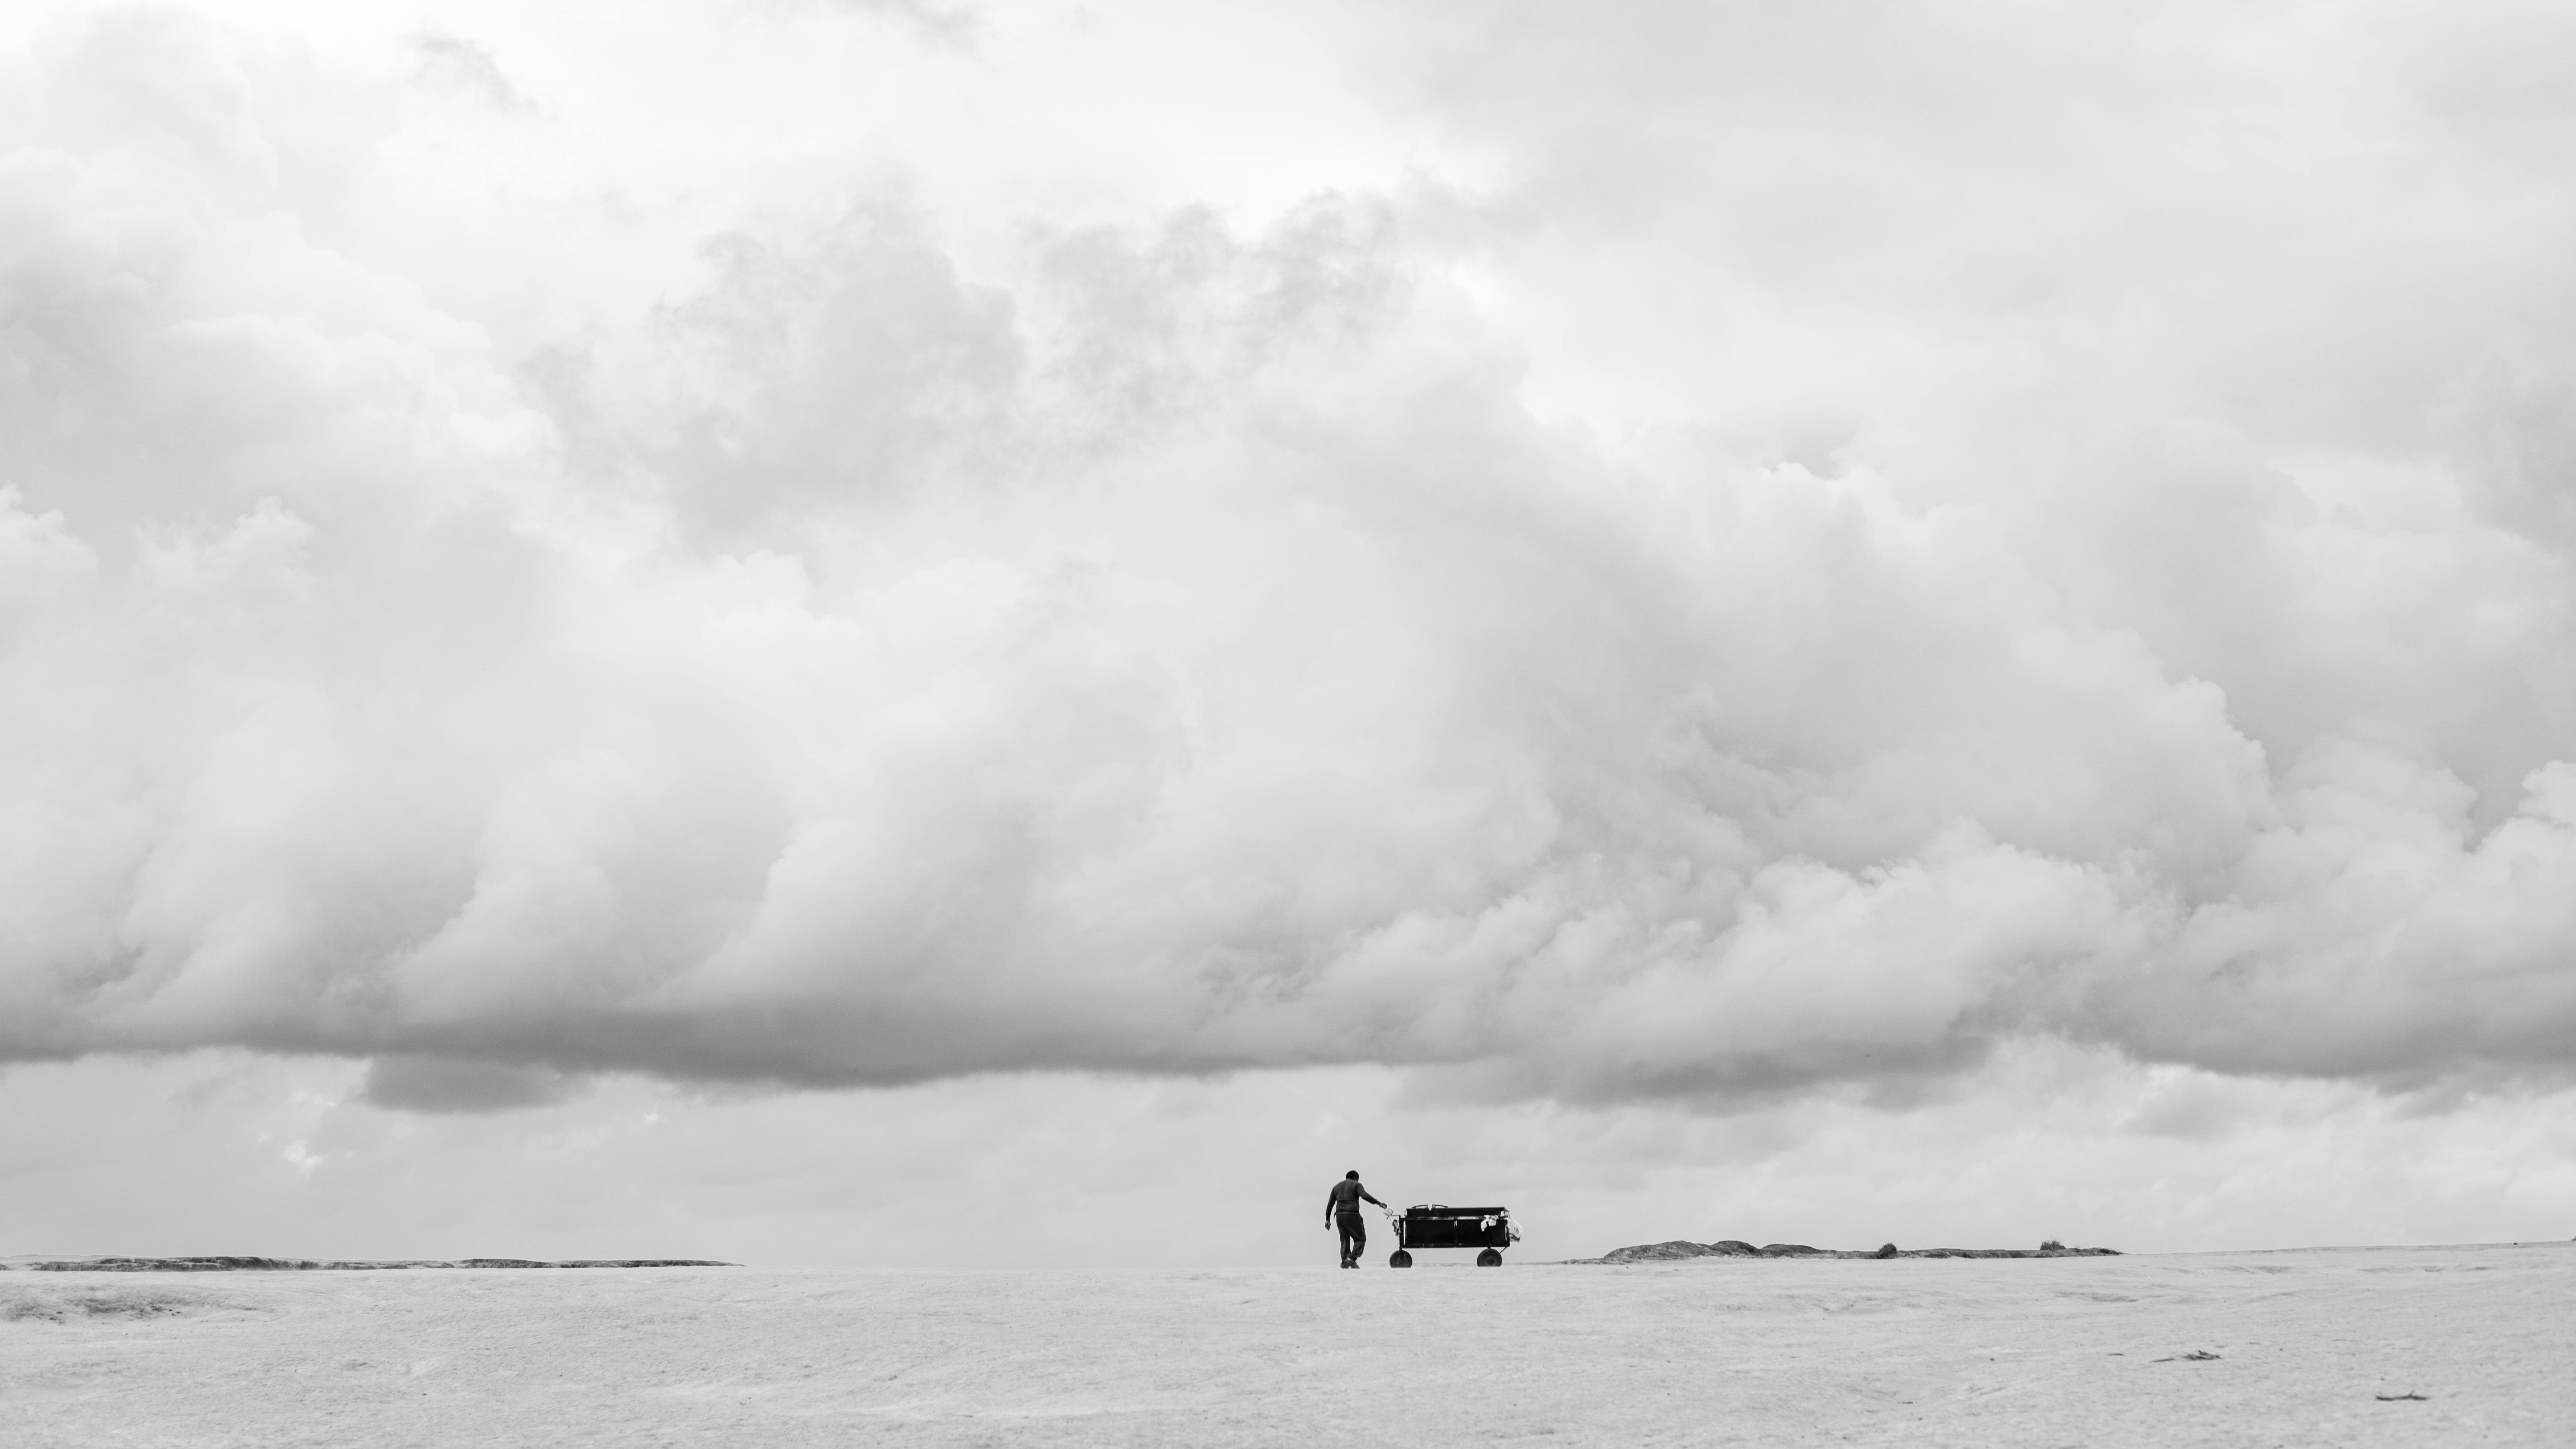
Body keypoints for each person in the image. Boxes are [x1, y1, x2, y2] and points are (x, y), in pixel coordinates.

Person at [1324, 1170, 1386, 1268]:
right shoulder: (1357, 1185)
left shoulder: (1336, 1187)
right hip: (1352, 1215)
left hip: (1339, 1216)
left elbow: (1330, 1204)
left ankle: (1344, 1263)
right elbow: (1364, 1196)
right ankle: (1351, 1258)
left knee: (1345, 1240)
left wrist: (1327, 1219)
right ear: (1356, 1178)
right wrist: (1378, 1203)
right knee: (1361, 1240)